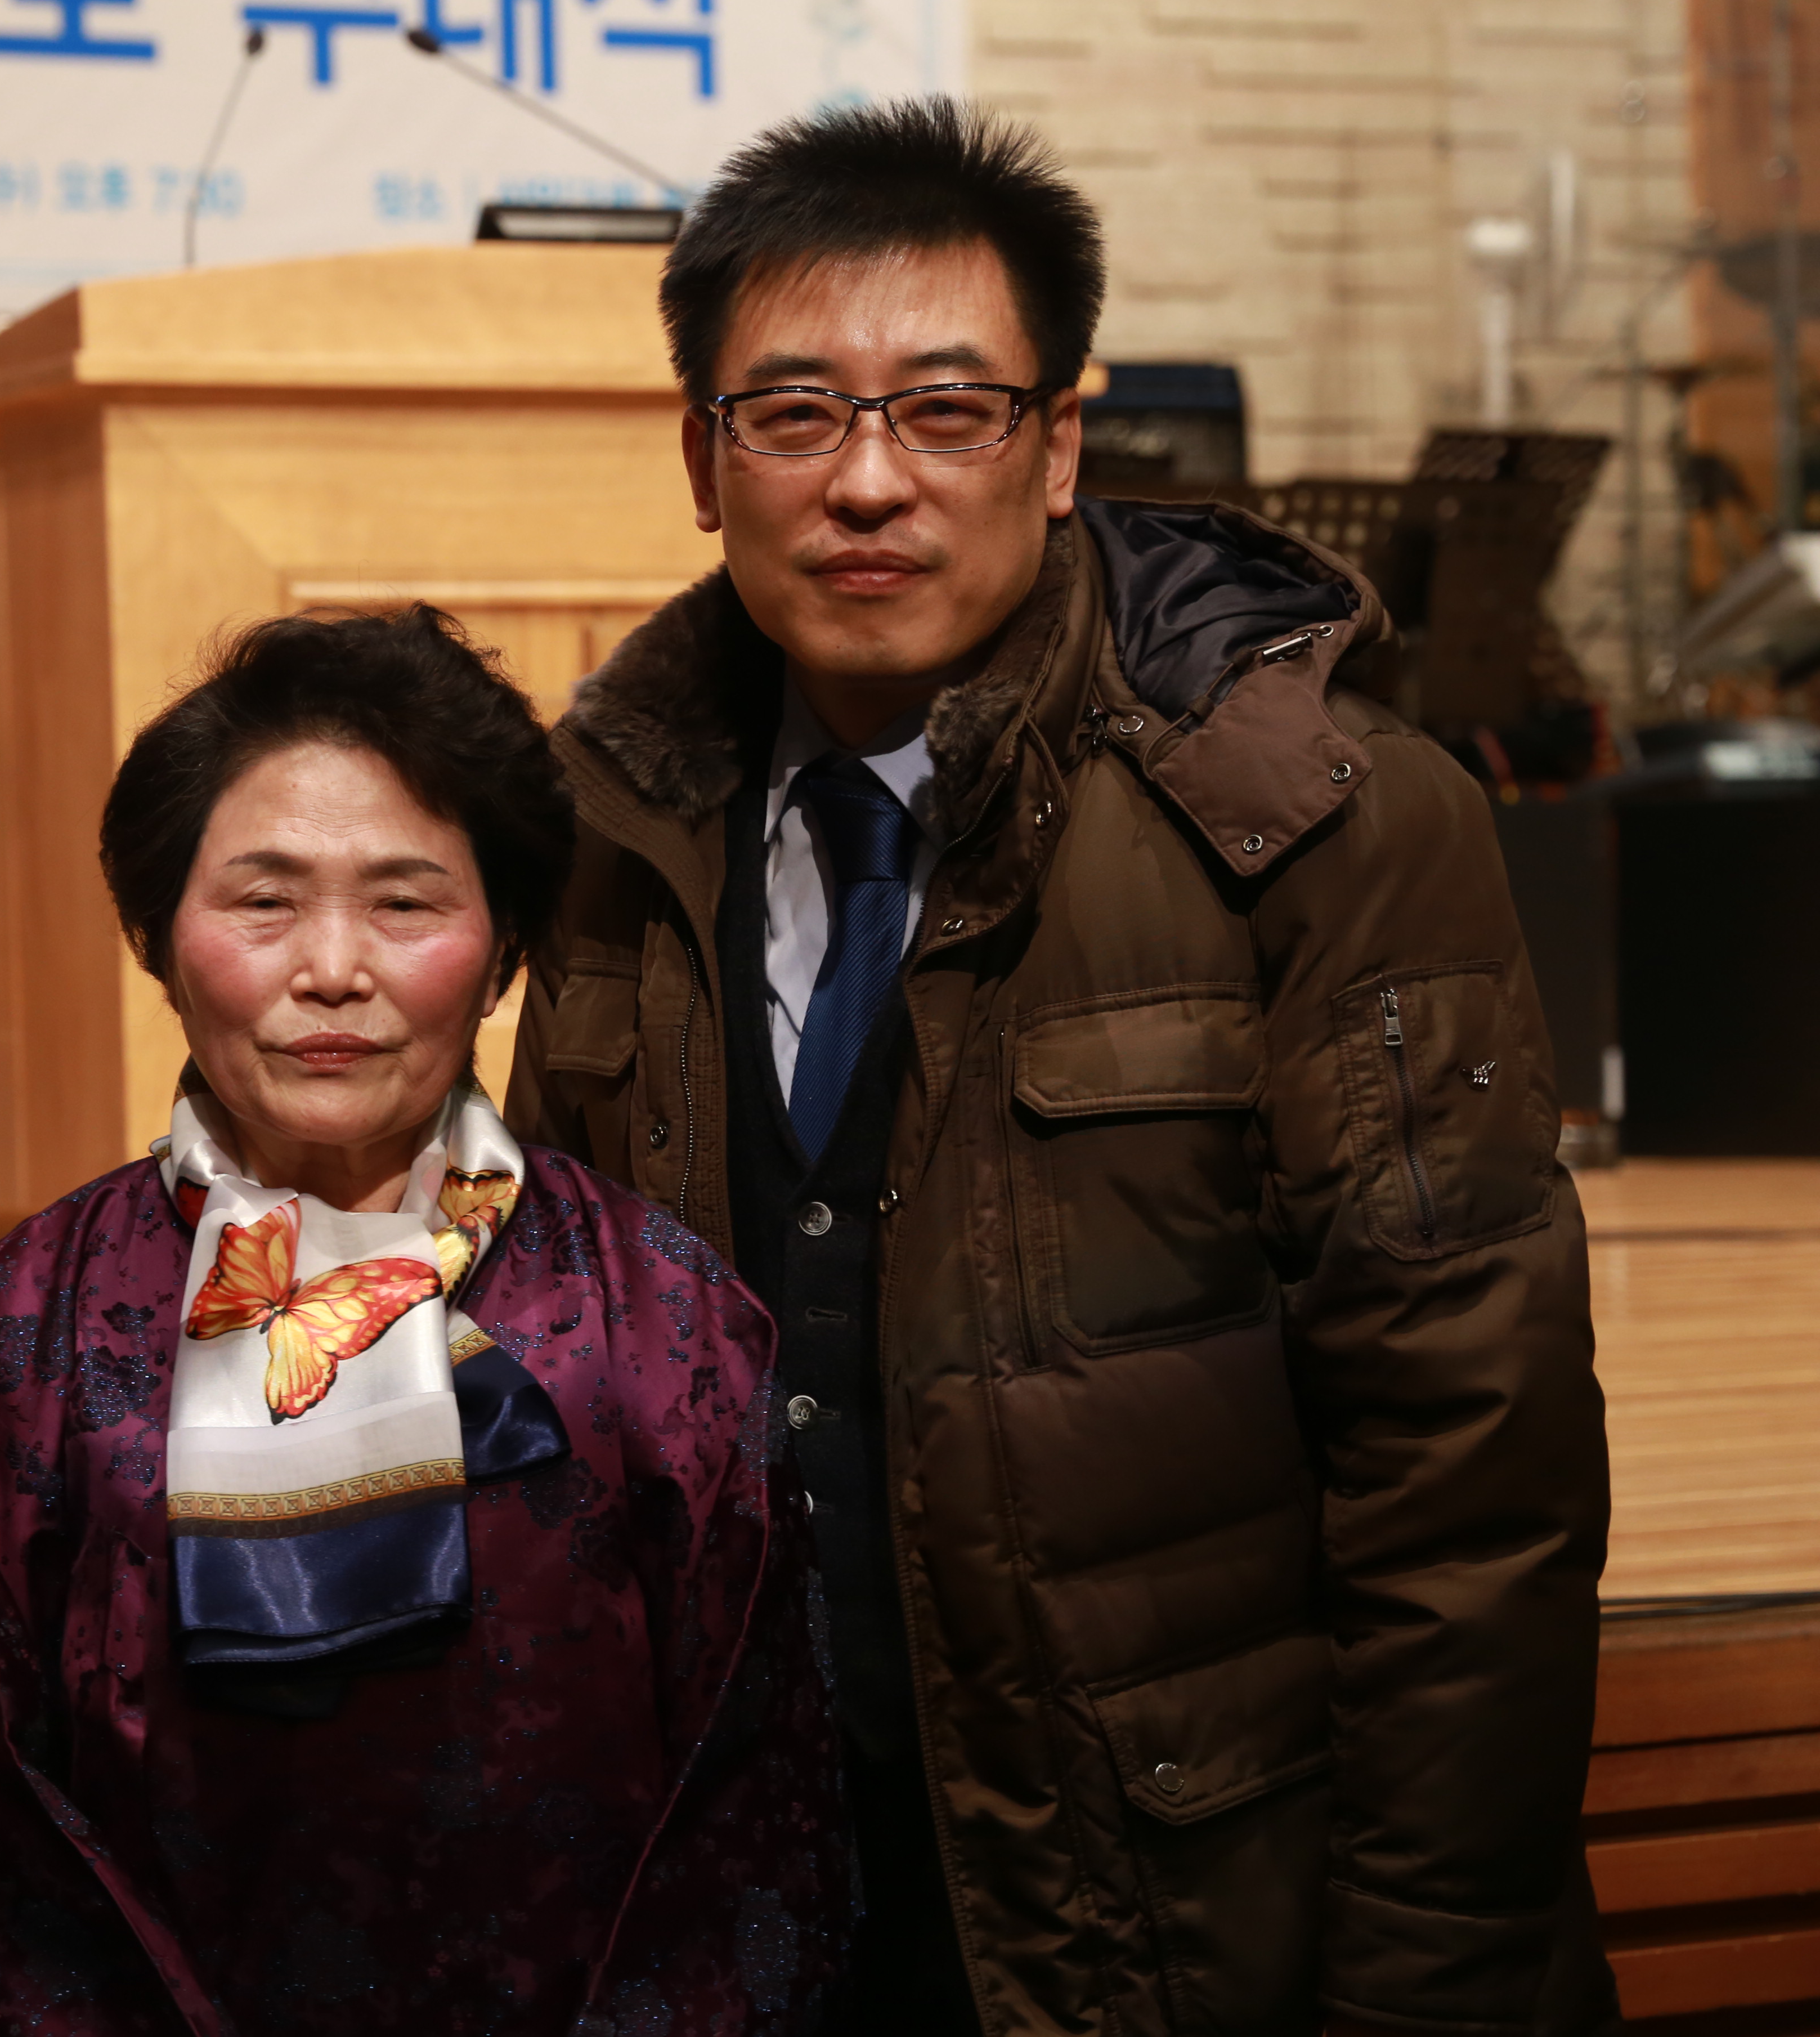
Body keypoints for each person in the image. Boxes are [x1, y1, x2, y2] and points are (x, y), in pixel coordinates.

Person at [504, 101, 1616, 2036]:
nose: (870, 481)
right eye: (794, 413)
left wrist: (1427, 1988)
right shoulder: (613, 831)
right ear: (700, 458)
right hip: (763, 1906)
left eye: (949, 409)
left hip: (1194, 1924)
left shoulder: (1320, 817)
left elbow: (1474, 1483)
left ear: (1061, 443)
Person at [0, 606, 850, 2034]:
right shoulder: (10, 1337)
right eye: (263, 903)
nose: (331, 969)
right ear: (157, 939)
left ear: (507, 947)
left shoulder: (664, 1317)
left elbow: (758, 1822)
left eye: (404, 904)